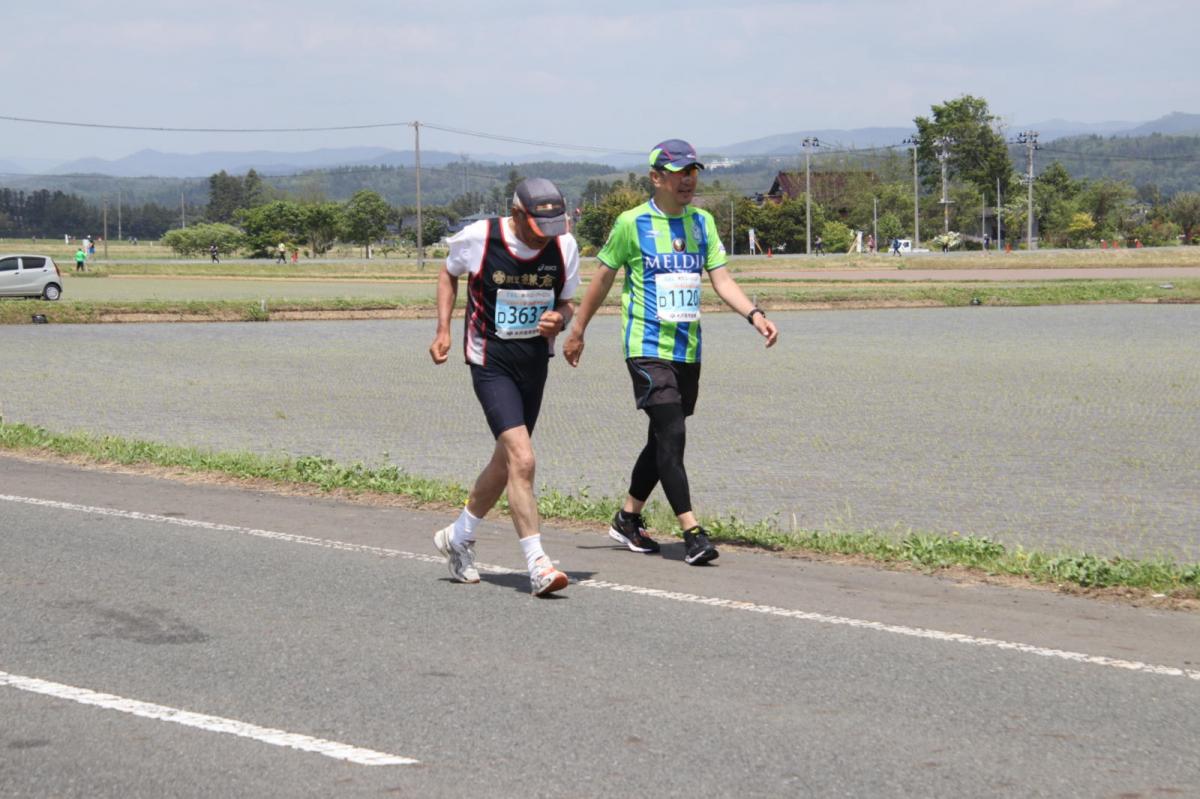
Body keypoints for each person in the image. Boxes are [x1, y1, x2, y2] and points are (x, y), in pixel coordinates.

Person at [563, 139, 778, 566]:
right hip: (645, 347)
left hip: (687, 349)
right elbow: (603, 279)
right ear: (657, 178)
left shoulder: (702, 223)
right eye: (680, 173)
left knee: (662, 436)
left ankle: (628, 518)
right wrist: (578, 330)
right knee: (673, 433)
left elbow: (721, 280)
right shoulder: (632, 223)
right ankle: (692, 532)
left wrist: (754, 314)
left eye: (693, 171)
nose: (689, 180)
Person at [428, 177, 580, 596]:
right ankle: (538, 565)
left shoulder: (564, 246)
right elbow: (448, 274)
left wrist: (561, 319)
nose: (545, 237)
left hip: (534, 363)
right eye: (537, 227)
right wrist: (442, 329)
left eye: (554, 227)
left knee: (507, 460)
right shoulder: (479, 238)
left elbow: (568, 301)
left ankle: (459, 536)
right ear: (516, 215)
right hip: (490, 361)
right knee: (523, 458)